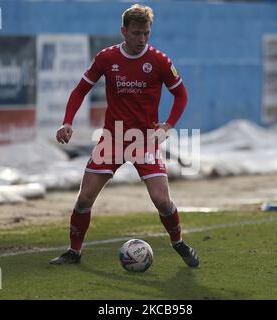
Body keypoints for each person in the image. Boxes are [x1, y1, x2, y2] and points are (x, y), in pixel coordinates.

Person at [50, 4, 199, 268]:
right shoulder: (107, 58)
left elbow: (181, 95)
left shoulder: (159, 61)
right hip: (113, 139)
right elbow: (79, 90)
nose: (142, 39)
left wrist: (168, 125)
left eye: (147, 33)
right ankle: (74, 252)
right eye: (137, 33)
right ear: (124, 31)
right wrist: (67, 122)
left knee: (163, 202)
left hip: (145, 140)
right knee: (84, 198)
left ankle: (178, 243)